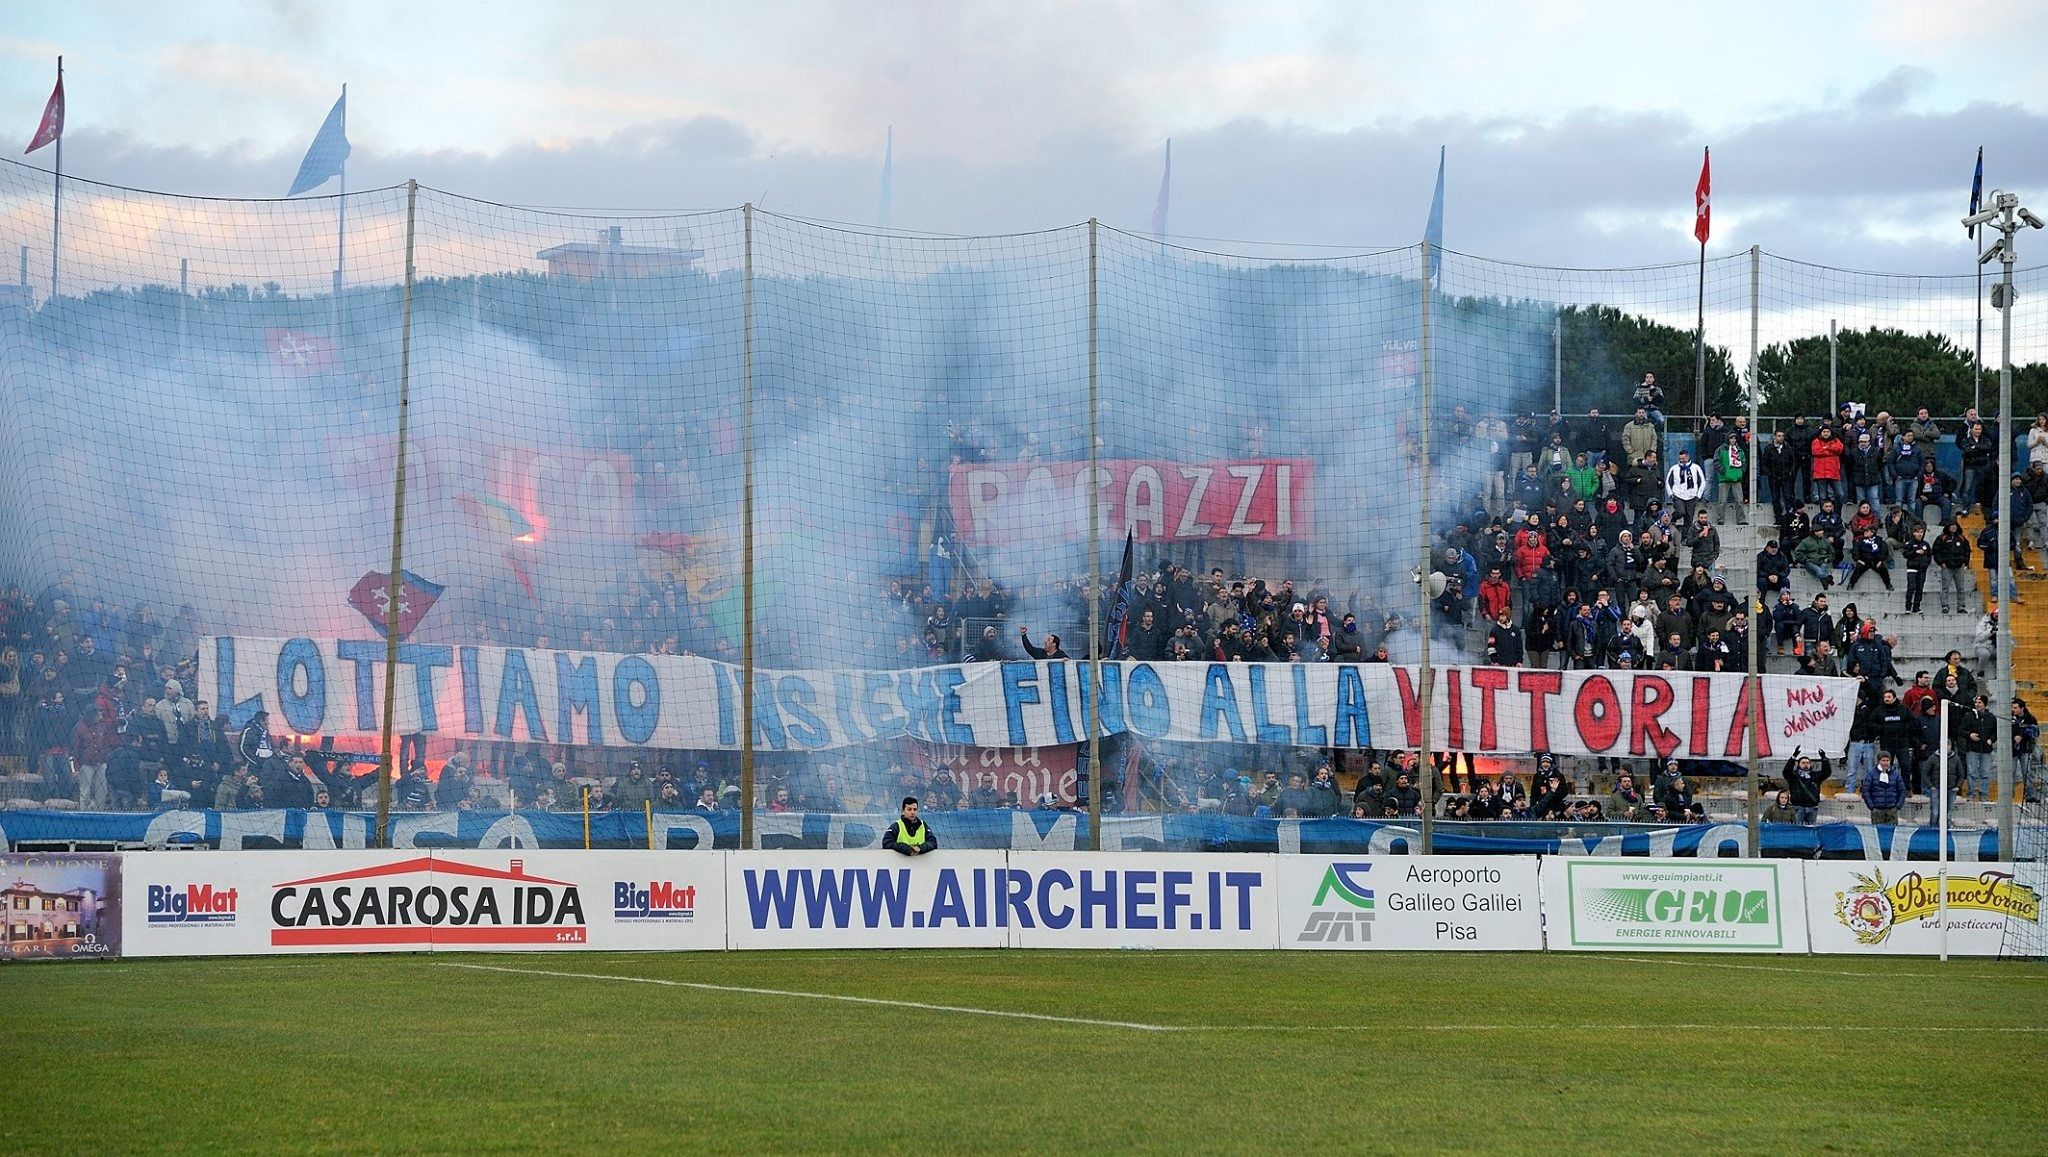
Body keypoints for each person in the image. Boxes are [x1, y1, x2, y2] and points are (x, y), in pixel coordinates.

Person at [1780, 748, 1829, 825]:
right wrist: (1793, 757)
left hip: (1813, 807)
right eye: (1803, 763)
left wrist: (1824, 759)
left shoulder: (1816, 776)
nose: (1805, 764)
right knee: (1797, 829)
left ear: (1810, 764)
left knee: (1811, 830)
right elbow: (1786, 771)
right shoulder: (1794, 776)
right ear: (1798, 764)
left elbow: (1827, 772)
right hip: (1798, 807)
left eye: (1807, 763)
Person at [1862, 750, 1906, 826]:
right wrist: (1872, 807)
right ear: (1879, 761)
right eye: (1883, 760)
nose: (1885, 763)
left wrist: (1898, 806)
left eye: (1887, 760)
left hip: (1892, 810)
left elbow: (1902, 791)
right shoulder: (1871, 774)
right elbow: (1865, 791)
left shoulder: (1896, 775)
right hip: (1877, 811)